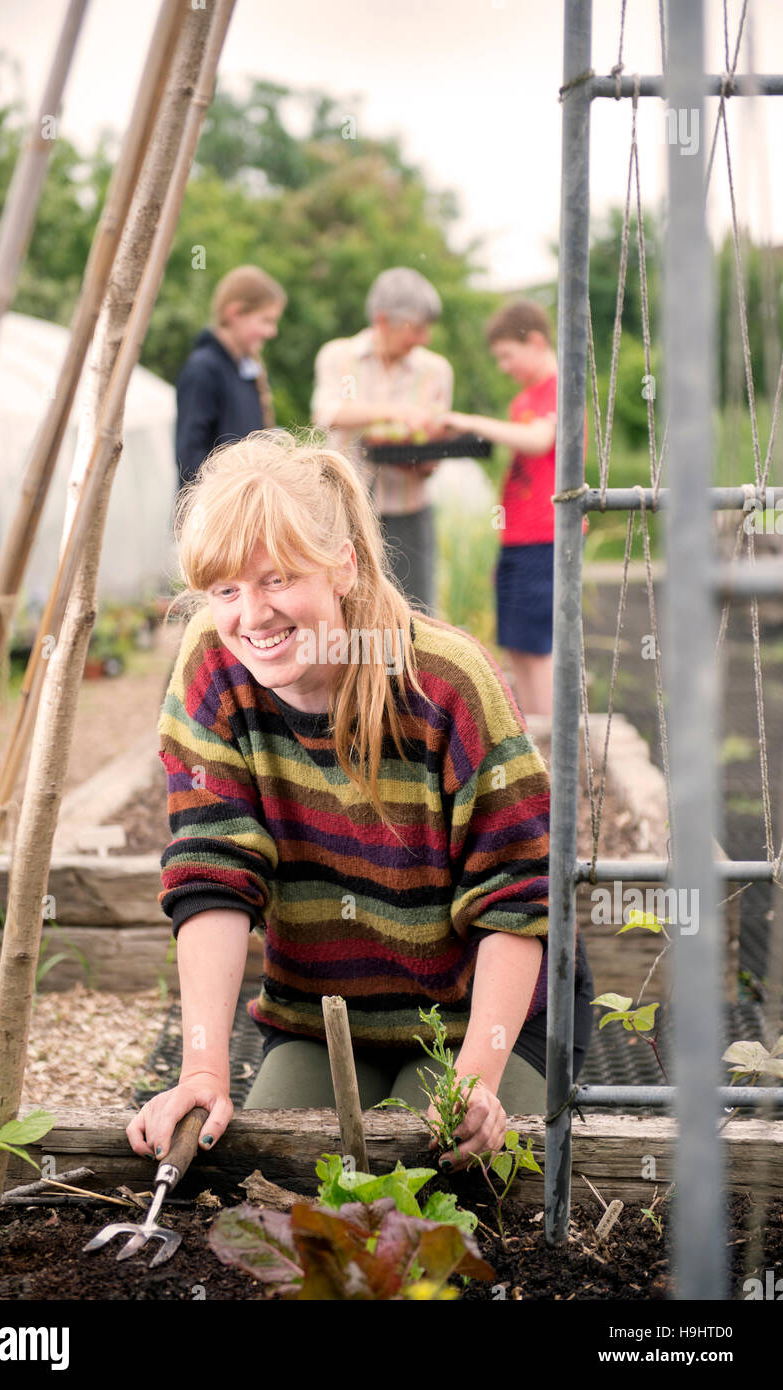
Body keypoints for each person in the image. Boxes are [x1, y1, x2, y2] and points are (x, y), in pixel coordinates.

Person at [127, 430, 594, 1170]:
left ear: (341, 565)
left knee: (432, 1169)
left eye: (277, 579)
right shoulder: (212, 664)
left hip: (481, 1009)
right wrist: (202, 1071)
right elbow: (212, 867)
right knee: (278, 1173)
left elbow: (517, 894)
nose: (252, 615)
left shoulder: (445, 681)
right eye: (225, 590)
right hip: (323, 1013)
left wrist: (475, 1075)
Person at [443, 300, 586, 717]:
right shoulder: (522, 401)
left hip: (546, 537)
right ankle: (535, 733)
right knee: (518, 644)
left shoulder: (562, 387)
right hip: (519, 537)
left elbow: (540, 440)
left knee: (538, 647)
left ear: (536, 341)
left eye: (507, 355)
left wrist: (471, 421)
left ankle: (549, 743)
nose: (504, 366)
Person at [310, 267, 453, 616]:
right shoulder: (337, 356)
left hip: (409, 508)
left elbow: (433, 447)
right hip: (344, 511)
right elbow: (327, 413)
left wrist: (426, 453)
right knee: (345, 612)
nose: (424, 338)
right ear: (383, 320)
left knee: (415, 612)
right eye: (416, 328)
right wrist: (398, 413)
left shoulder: (436, 370)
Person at [174, 264, 286, 489]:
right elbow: (190, 460)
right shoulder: (203, 369)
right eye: (265, 320)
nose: (271, 332)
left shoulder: (248, 370)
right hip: (214, 511)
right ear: (234, 313)